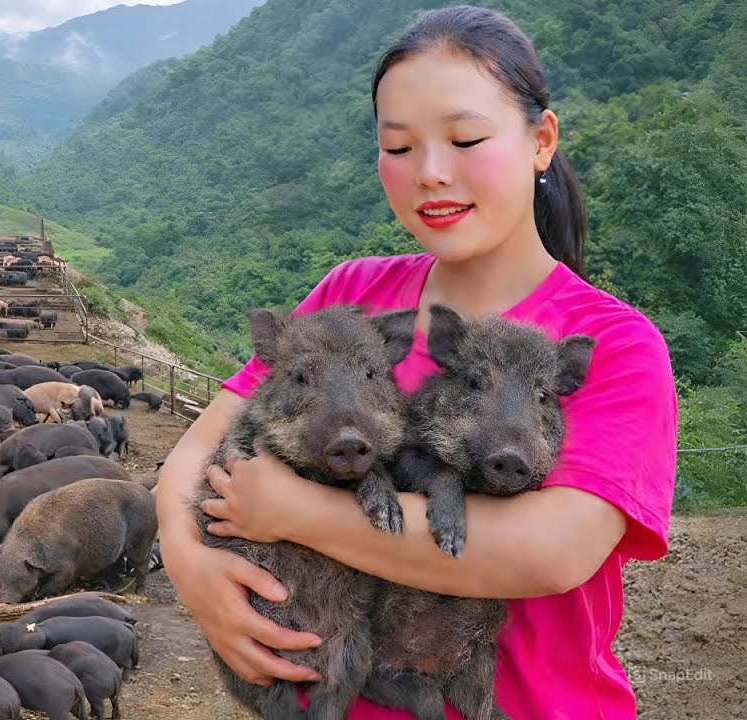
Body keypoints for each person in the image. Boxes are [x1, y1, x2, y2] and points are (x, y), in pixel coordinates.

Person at [153, 5, 678, 719]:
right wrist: (194, 570)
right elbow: (195, 452)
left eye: (465, 138)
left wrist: (294, 510)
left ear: (540, 140)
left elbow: (550, 553)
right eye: (398, 148)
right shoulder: (350, 294)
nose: (431, 174)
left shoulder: (615, 344)